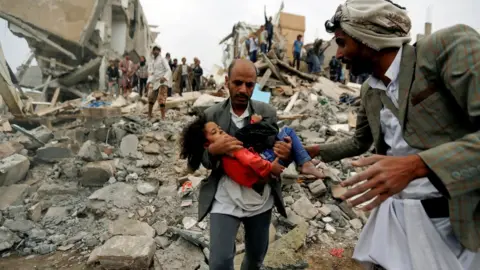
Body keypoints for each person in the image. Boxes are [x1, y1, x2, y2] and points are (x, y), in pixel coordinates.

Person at [306, 1, 480, 269]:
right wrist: (317, 151)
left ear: (367, 39)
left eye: (342, 42)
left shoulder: (445, 49)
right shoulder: (369, 90)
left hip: (457, 223)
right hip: (399, 221)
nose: (338, 54)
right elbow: (359, 142)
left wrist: (415, 167)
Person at [198, 59, 292, 270]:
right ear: (226, 82)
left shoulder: (266, 112)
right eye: (237, 83)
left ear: (255, 85)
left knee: (255, 258)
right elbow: (198, 160)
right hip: (225, 196)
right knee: (220, 262)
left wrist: (285, 153)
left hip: (260, 198)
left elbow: (276, 151)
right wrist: (213, 151)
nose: (243, 89)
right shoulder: (211, 116)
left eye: (249, 85)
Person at [180, 113, 324, 188]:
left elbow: (250, 135)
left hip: (263, 161)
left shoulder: (230, 147)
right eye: (216, 132)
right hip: (263, 168)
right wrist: (212, 150)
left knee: (285, 140)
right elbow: (251, 160)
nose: (222, 132)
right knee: (288, 131)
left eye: (220, 129)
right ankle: (305, 161)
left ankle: (303, 156)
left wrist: (255, 123)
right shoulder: (231, 149)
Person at [147, 44, 171, 119]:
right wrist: (148, 81)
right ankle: (149, 114)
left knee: (161, 98)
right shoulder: (153, 62)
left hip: (163, 81)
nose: (156, 51)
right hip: (155, 82)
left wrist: (164, 77)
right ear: (153, 51)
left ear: (159, 51)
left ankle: (163, 117)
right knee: (151, 98)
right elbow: (152, 73)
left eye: (157, 50)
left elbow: (168, 70)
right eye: (155, 50)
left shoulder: (163, 59)